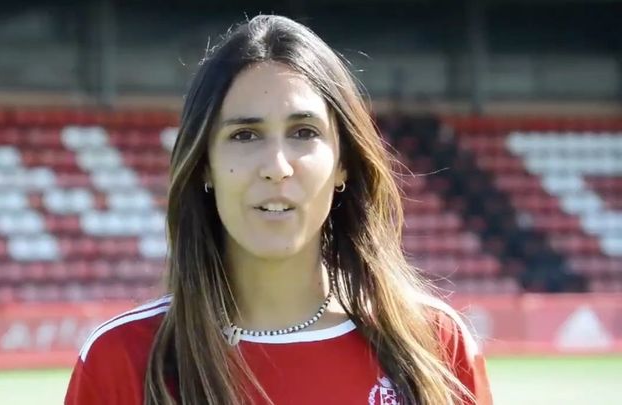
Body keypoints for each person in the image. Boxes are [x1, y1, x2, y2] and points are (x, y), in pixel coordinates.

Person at [65, 15, 492, 405]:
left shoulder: (435, 345)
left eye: (303, 132)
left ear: (343, 162)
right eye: (245, 135)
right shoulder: (122, 359)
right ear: (205, 165)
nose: (276, 167)